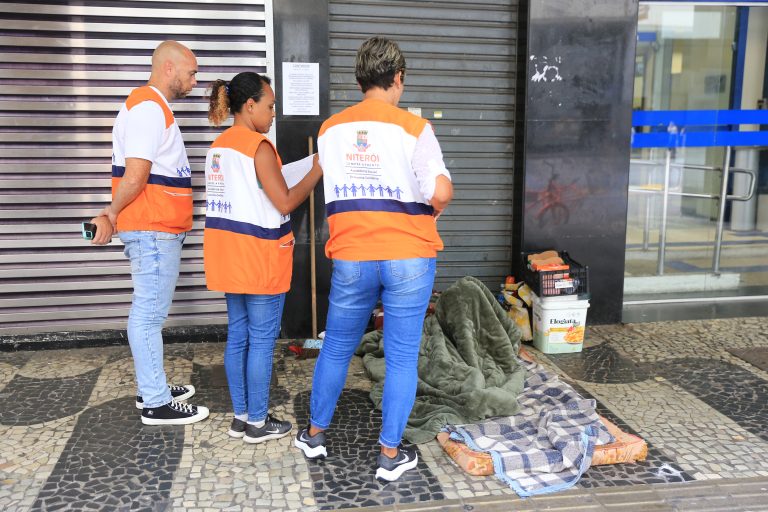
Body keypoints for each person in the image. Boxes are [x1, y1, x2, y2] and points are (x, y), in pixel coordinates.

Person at [293, 36, 453, 481]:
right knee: (401, 357)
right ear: (397, 79)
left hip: (352, 256)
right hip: (408, 257)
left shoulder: (330, 130)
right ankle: (388, 455)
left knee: (337, 347)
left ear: (360, 80)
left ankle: (314, 435)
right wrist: (442, 199)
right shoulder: (415, 129)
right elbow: (437, 191)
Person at [89, 40, 208, 425]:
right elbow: (137, 174)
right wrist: (110, 212)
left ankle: (151, 385)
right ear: (169, 68)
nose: (194, 80)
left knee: (149, 313)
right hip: (153, 229)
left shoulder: (151, 107)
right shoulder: (148, 108)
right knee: (147, 316)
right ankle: (155, 401)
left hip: (158, 229)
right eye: (191, 72)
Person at [204, 72, 322, 443]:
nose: (273, 114)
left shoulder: (219, 146)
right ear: (249, 105)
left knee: (238, 337)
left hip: (228, 255)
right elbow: (284, 201)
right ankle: (258, 422)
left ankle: (241, 417)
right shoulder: (258, 147)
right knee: (261, 341)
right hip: (259, 257)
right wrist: (318, 168)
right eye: (270, 106)